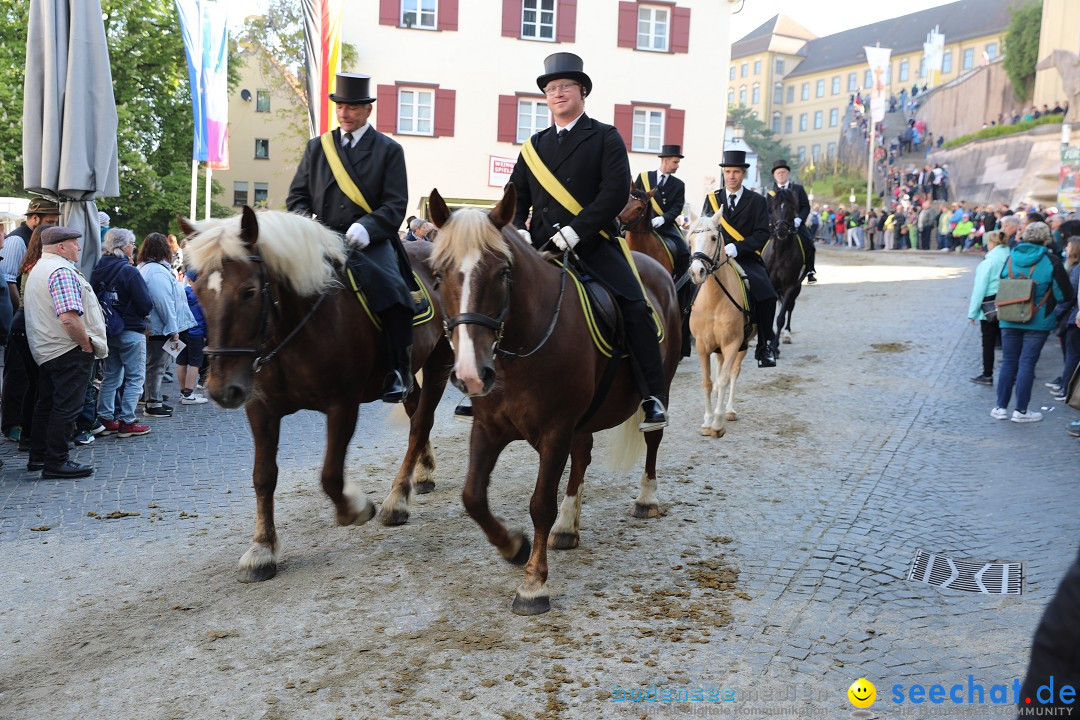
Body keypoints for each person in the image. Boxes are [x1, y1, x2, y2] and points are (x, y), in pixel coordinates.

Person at [508, 52, 669, 429]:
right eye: (550, 89)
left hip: (594, 244)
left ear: (582, 91)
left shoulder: (604, 136)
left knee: (635, 307)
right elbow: (515, 194)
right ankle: (483, 390)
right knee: (492, 299)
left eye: (565, 87)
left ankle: (651, 397)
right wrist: (515, 228)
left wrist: (575, 231)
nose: (557, 93)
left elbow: (614, 194)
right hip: (543, 250)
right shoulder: (533, 146)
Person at [287, 73, 416, 403]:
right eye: (340, 106)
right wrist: (306, 228)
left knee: (395, 294)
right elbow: (298, 197)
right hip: (322, 237)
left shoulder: (389, 150)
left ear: (367, 111)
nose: (344, 113)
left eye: (352, 107)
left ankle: (399, 370)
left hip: (369, 241)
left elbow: (396, 203)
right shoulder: (318, 148)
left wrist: (368, 227)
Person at [23, 227, 108, 479]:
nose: (78, 248)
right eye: (74, 243)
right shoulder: (60, 271)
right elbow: (69, 318)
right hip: (66, 348)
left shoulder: (39, 268)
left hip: (48, 348)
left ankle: (39, 457)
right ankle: (56, 462)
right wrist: (85, 344)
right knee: (66, 408)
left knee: (47, 404)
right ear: (61, 247)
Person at [702, 149, 778, 368]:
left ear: (744, 174)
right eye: (728, 171)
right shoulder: (712, 199)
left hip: (744, 257)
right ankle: (685, 337)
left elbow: (763, 233)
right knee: (689, 286)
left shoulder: (756, 201)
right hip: (715, 259)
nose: (731, 176)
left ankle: (765, 347)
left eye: (736, 172)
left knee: (767, 295)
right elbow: (706, 229)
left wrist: (738, 247)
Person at [991, 223, 1069, 422]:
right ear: (1046, 239)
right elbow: (1064, 295)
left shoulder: (1011, 257)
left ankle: (1000, 407)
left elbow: (1002, 282)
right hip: (1038, 319)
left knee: (1008, 362)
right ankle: (1021, 411)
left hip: (1009, 317)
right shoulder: (1051, 261)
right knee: (1027, 363)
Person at [1, 197, 60, 442]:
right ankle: (12, 423)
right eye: (49, 222)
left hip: (28, 318)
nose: (52, 226)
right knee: (17, 373)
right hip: (21, 318)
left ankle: (26, 423)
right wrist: (23, 310)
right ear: (34, 218)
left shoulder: (37, 237)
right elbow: (10, 281)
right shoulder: (16, 239)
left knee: (29, 376)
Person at [91, 228, 152, 437]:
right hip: (131, 330)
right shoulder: (129, 271)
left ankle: (106, 418)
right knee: (135, 377)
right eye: (131, 243)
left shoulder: (98, 268)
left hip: (108, 330)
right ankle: (128, 421)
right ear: (122, 246)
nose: (133, 247)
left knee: (111, 376)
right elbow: (145, 304)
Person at [634, 143, 693, 355]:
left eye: (678, 162)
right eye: (676, 162)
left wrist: (664, 218)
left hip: (666, 227)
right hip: (641, 224)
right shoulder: (643, 177)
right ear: (665, 160)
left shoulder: (679, 184)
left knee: (684, 250)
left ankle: (682, 285)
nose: (677, 166)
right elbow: (635, 198)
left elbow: (677, 207)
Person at [138, 233, 194, 419]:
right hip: (160, 328)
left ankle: (152, 399)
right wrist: (173, 329)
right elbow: (163, 302)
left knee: (155, 365)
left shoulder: (151, 269)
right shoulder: (156, 271)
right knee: (157, 366)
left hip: (158, 327)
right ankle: (153, 403)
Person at [967, 230, 1009, 385]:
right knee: (1008, 340)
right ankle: (1013, 373)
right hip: (1010, 302)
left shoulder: (989, 261)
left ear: (992, 243)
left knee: (988, 342)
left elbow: (979, 289)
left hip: (990, 306)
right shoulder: (1010, 257)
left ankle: (987, 374)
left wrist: (972, 313)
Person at [768, 159, 817, 284]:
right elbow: (767, 210)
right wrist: (772, 222)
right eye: (778, 173)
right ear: (774, 175)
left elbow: (806, 206)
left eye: (783, 172)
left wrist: (799, 219)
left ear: (788, 173)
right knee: (762, 243)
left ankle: (810, 270)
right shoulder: (771, 192)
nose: (781, 174)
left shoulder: (798, 189)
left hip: (795, 223)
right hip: (777, 225)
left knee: (809, 243)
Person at [177, 271, 209, 405]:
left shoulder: (182, 293)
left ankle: (182, 391)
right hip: (197, 333)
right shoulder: (204, 296)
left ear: (188, 279)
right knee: (195, 364)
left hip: (182, 331)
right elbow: (207, 318)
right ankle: (188, 394)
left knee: (181, 362)